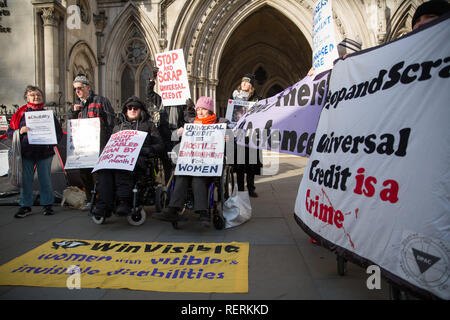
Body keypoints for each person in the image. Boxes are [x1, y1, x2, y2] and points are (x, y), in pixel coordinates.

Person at [152, 96, 227, 227]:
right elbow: (174, 138)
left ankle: (203, 212)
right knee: (180, 176)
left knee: (198, 178)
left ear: (210, 111)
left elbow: (233, 144)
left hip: (208, 164)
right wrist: (179, 132)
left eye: (204, 110)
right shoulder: (191, 124)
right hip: (191, 162)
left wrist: (227, 138)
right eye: (198, 109)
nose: (200, 113)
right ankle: (173, 209)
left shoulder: (220, 124)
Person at [92, 96, 164, 217]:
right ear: (125, 111)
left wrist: (147, 150)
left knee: (123, 168)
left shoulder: (148, 126)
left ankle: (123, 201)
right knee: (104, 171)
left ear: (141, 110)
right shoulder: (117, 128)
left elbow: (160, 145)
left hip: (139, 159)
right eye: (129, 108)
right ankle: (103, 205)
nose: (132, 110)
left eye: (136, 108)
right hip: (116, 159)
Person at [6, 85, 63, 218]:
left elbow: (58, 132)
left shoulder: (48, 115)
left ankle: (47, 205)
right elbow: (9, 133)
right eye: (32, 95)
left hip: (44, 153)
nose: (36, 97)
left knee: (45, 180)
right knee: (26, 180)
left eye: (38, 95)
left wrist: (52, 142)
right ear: (26, 97)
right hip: (26, 153)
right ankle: (25, 206)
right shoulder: (19, 114)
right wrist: (20, 131)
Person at [69, 73, 116, 208]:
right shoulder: (76, 105)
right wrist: (73, 112)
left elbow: (110, 122)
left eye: (80, 88)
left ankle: (102, 200)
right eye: (75, 89)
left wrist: (107, 142)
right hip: (82, 148)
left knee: (99, 175)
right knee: (84, 174)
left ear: (88, 87)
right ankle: (91, 200)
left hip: (99, 145)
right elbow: (70, 125)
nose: (77, 91)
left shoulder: (101, 101)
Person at [146, 68, 195, 184]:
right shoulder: (162, 101)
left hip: (178, 138)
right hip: (165, 136)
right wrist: (152, 80)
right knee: (167, 165)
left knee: (178, 166)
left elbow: (190, 120)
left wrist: (189, 109)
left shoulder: (184, 104)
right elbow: (149, 94)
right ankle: (169, 191)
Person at [232, 73, 262, 198]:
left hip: (251, 134)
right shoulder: (234, 97)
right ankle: (240, 188)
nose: (244, 83)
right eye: (243, 81)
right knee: (239, 164)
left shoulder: (256, 98)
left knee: (251, 163)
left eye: (247, 82)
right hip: (238, 133)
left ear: (251, 85)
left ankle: (250, 188)